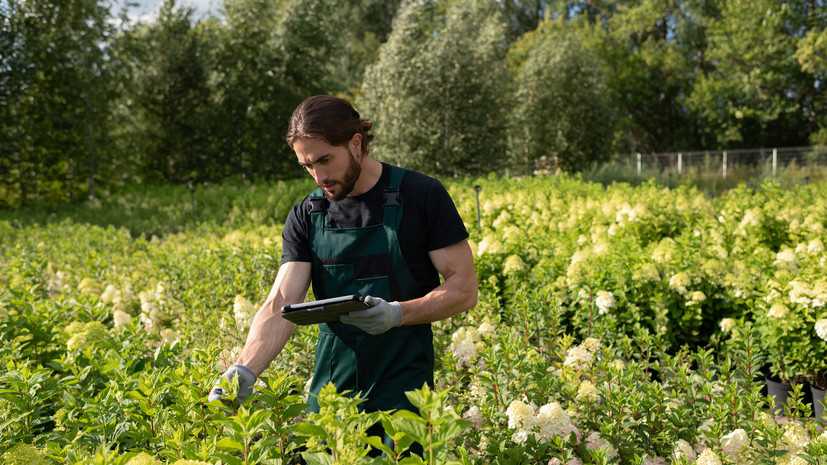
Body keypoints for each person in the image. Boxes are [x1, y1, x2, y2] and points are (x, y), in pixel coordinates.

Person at [208, 95, 478, 454]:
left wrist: (396, 313)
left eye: (324, 160)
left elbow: (464, 288)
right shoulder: (308, 215)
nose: (319, 177)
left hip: (405, 389)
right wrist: (244, 370)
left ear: (356, 143)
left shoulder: (420, 196)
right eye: (307, 166)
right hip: (332, 393)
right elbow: (282, 301)